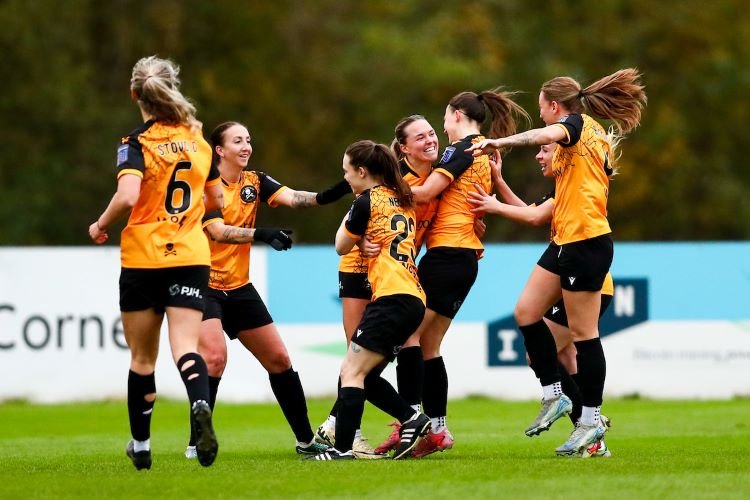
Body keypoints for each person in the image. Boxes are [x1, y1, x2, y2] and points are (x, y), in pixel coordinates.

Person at [467, 68, 646, 456]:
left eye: (542, 109)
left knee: (583, 338)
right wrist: (500, 187)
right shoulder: (576, 154)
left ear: (553, 106)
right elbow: (537, 214)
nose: (544, 120)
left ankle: (591, 419)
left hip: (587, 243)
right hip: (566, 243)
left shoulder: (578, 124)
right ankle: (556, 394)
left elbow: (548, 134)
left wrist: (500, 141)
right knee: (526, 312)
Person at [183, 121, 352, 458]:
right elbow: (216, 231)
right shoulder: (205, 185)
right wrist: (262, 234)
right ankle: (197, 441)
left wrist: (338, 190)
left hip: (239, 287)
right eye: (237, 141)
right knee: (215, 359)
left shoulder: (255, 181)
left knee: (279, 359)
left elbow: (296, 198)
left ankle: (306, 442)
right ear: (219, 150)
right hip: (203, 285)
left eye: (248, 139)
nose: (246, 146)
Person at [88, 56, 223, 470]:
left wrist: (100, 223)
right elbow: (216, 201)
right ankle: (200, 401)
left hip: (144, 258)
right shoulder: (198, 140)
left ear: (135, 94)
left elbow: (129, 196)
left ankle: (142, 447)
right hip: (190, 256)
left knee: (143, 359)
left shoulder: (135, 142)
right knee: (185, 347)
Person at [386, 90, 529, 458]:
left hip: (448, 255)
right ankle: (438, 428)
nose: (440, 128)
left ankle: (413, 425)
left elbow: (429, 191)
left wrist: (379, 186)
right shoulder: (485, 149)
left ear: (456, 115)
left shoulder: (461, 149)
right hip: (462, 258)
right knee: (430, 344)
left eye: (444, 118)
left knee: (409, 336)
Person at [468, 144, 615, 457]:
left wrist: (492, 205)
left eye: (545, 149)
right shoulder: (565, 187)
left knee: (553, 352)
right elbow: (531, 212)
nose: (539, 156)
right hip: (576, 279)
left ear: (562, 155)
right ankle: (589, 428)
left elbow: (533, 216)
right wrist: (500, 183)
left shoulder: (573, 184)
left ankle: (589, 425)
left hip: (590, 282)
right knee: (562, 356)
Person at [314, 115, 441, 458]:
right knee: (364, 374)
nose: (344, 177)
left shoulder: (365, 201)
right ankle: (412, 418)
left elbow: (340, 244)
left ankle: (343, 448)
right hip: (413, 296)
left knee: (351, 371)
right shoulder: (402, 198)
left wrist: (357, 239)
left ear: (360, 172)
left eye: (346, 171)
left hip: (391, 297)